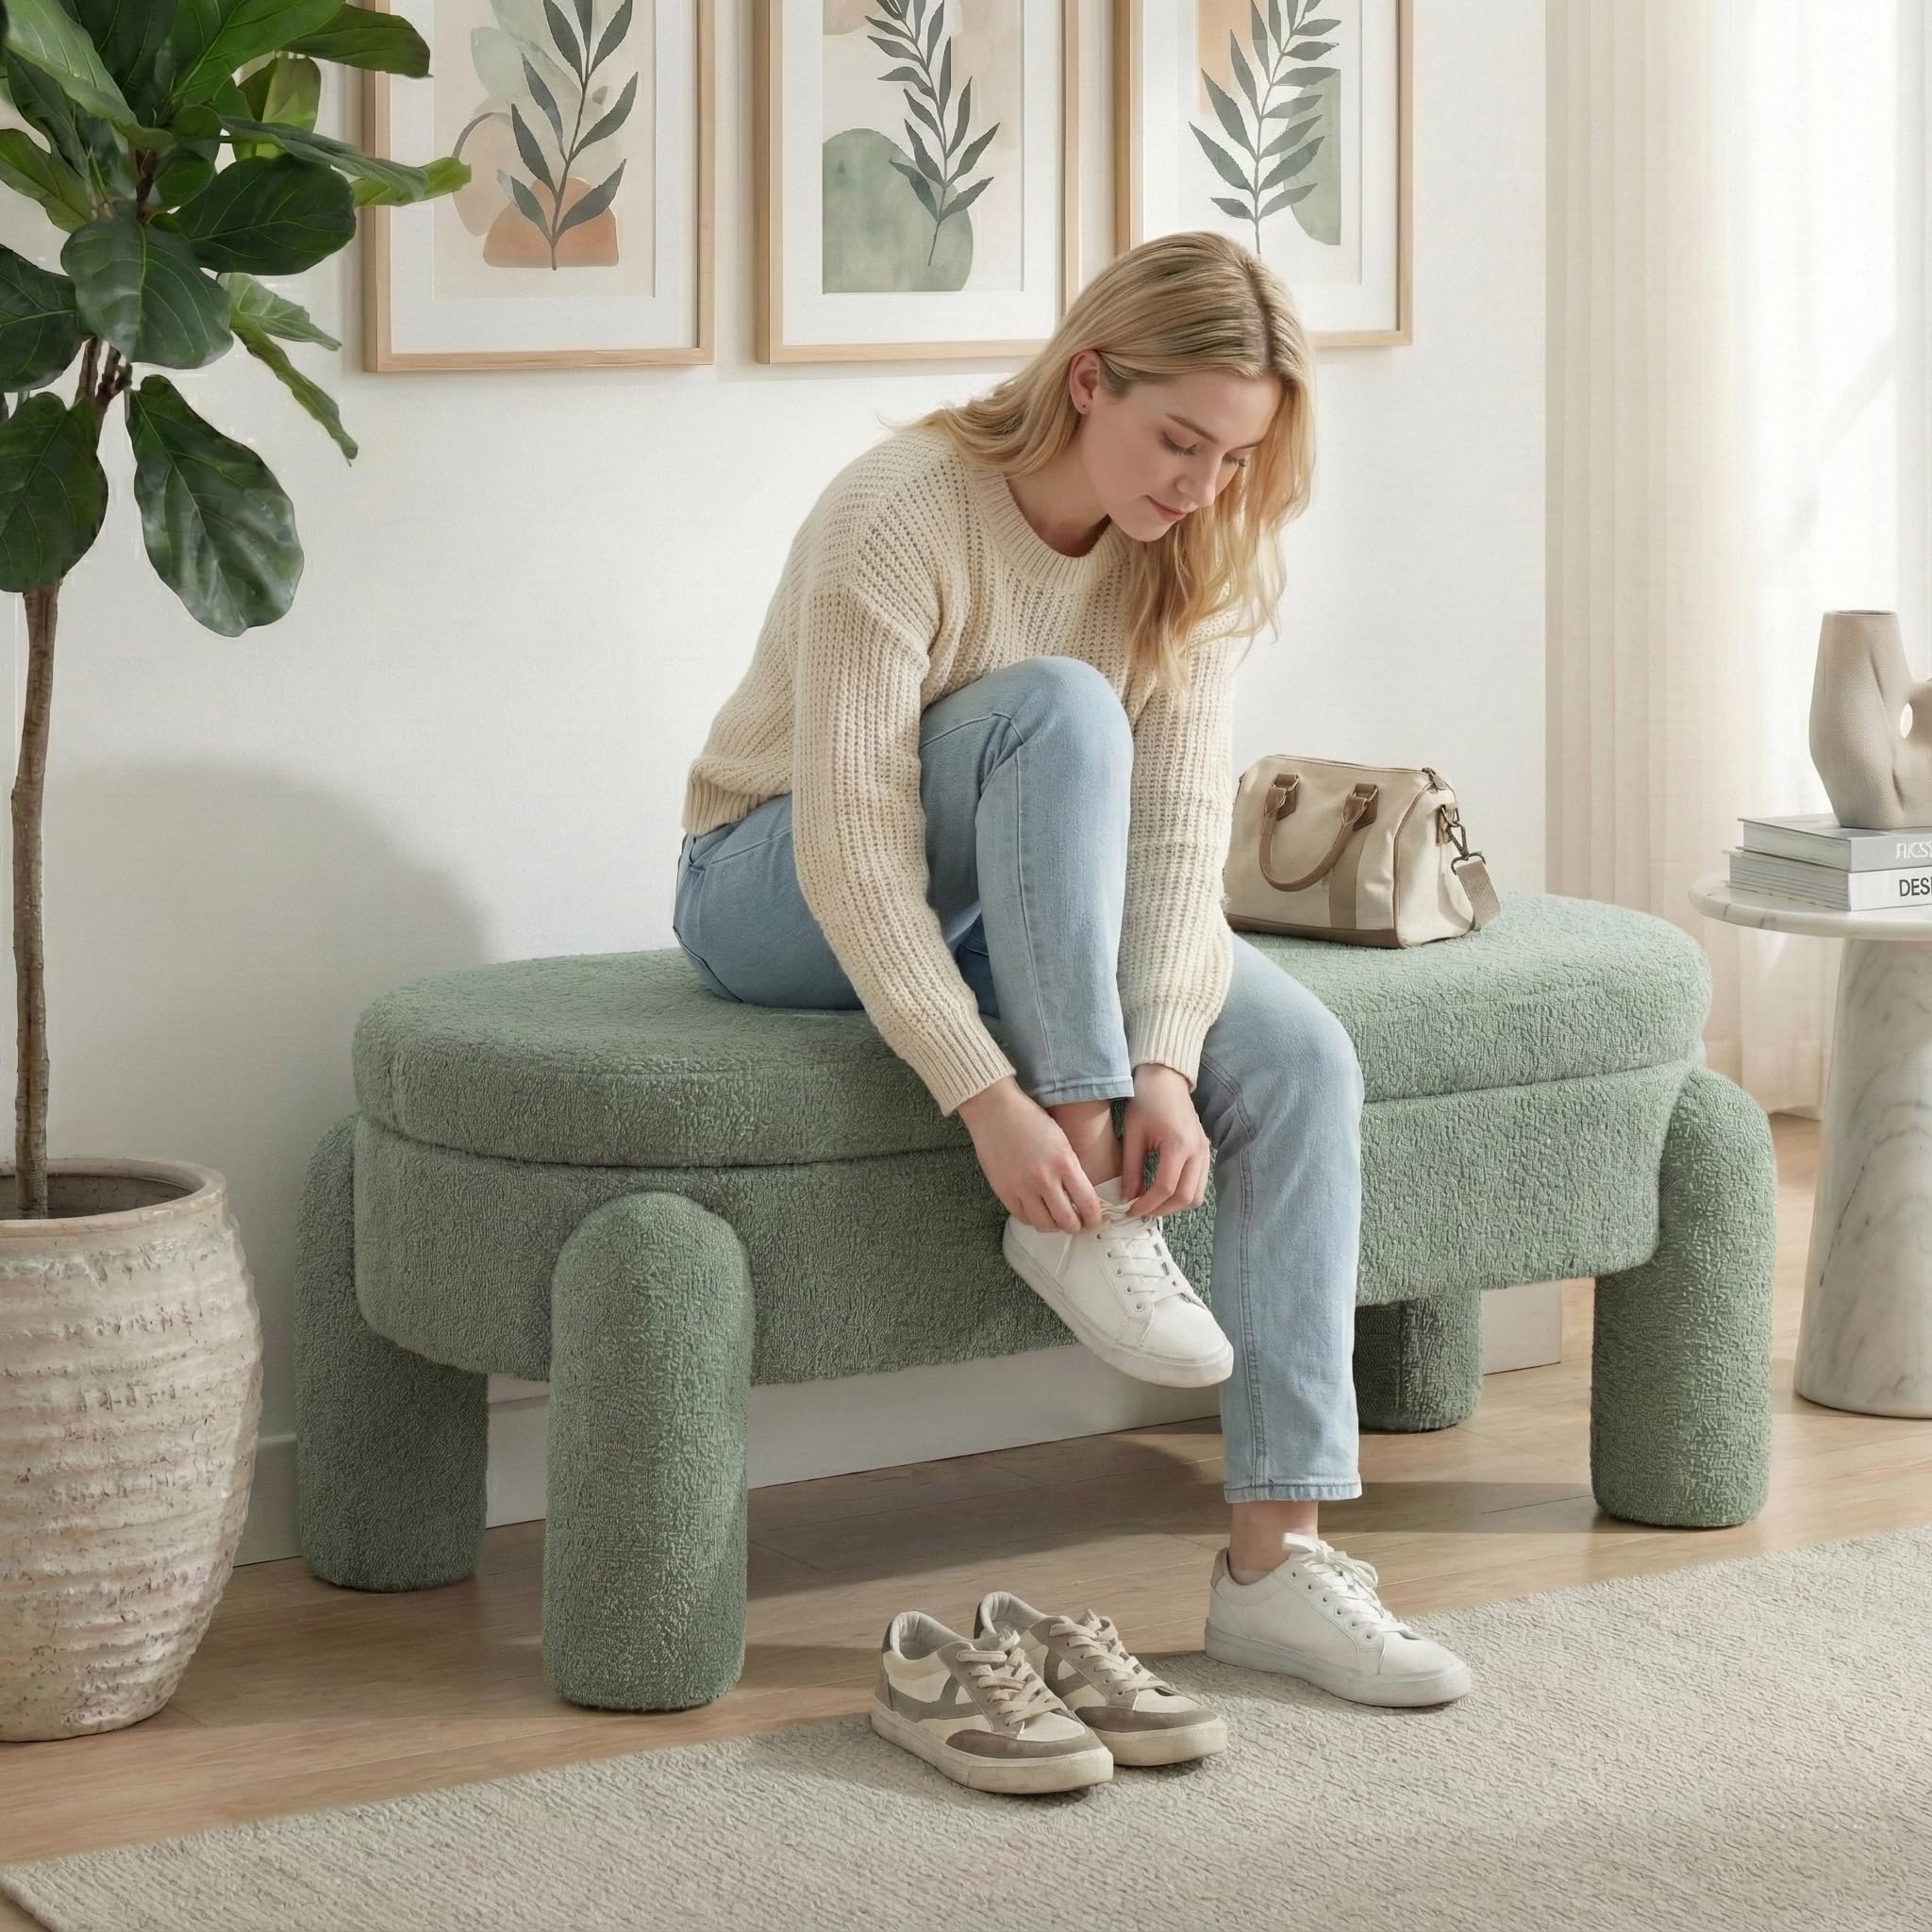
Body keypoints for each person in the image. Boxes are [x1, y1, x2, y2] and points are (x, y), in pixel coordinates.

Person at [674, 230, 1473, 1707]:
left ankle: (1273, 1566)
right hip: (770, 884)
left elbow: (1174, 854)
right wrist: (1010, 1105)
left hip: (1026, 899)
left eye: (1235, 459)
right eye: (1179, 441)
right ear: (1087, 379)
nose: (1202, 486)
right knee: (1059, 708)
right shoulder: (901, 513)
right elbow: (857, 854)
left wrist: (1168, 1053)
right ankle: (1086, 1215)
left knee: (1300, 1060)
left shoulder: (1201, 553)